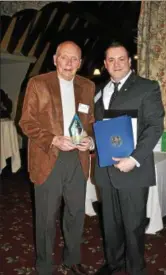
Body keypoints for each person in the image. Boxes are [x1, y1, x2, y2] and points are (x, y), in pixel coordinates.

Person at [19, 41, 95, 275]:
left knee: (75, 213)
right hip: (48, 156)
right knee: (46, 216)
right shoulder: (38, 83)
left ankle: (72, 259)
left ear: (80, 63)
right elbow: (26, 123)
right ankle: (44, 266)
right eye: (64, 57)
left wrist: (90, 141)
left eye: (74, 59)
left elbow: (90, 121)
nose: (69, 63)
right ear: (55, 59)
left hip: (78, 159)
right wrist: (53, 139)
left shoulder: (88, 86)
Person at [94, 42, 165, 275]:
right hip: (106, 170)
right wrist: (91, 141)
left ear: (129, 62)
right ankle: (113, 264)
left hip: (133, 170)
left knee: (133, 226)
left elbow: (155, 127)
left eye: (121, 59)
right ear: (105, 64)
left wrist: (133, 159)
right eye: (111, 60)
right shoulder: (100, 91)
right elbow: (100, 128)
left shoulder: (147, 87)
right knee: (110, 225)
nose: (116, 64)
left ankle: (135, 269)